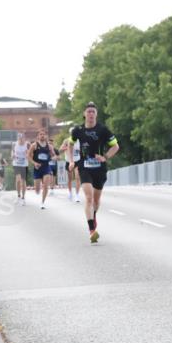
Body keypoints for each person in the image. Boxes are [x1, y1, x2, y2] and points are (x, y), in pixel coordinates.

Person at [68, 103, 119, 243]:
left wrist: (105, 157)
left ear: (96, 114)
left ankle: (93, 215)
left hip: (99, 169)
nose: (90, 114)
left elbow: (115, 146)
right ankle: (92, 230)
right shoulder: (78, 130)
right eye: (88, 111)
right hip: (84, 167)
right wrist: (72, 161)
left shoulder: (103, 129)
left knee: (96, 200)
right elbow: (70, 144)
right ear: (84, 114)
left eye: (93, 111)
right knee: (89, 198)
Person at [28, 129, 56, 209]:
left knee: (46, 185)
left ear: (46, 136)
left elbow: (54, 155)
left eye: (44, 134)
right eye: (41, 134)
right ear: (38, 136)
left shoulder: (49, 146)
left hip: (46, 167)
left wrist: (54, 158)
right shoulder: (34, 145)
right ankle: (38, 190)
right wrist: (34, 163)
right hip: (37, 168)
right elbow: (28, 156)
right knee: (37, 190)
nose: (42, 136)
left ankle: (42, 202)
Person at [61, 135, 82, 203]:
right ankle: (70, 193)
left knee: (77, 177)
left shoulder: (80, 140)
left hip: (77, 161)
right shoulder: (67, 140)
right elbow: (60, 149)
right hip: (69, 161)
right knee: (70, 178)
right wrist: (67, 147)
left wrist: (80, 150)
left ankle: (77, 195)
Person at [11, 133, 29, 205]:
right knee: (18, 180)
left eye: (22, 139)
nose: (21, 140)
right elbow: (12, 152)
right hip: (16, 164)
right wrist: (12, 155)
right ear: (18, 139)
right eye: (19, 139)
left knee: (23, 181)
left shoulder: (27, 144)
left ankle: (23, 198)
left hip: (24, 164)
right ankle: (18, 196)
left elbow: (31, 153)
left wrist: (27, 154)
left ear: (24, 138)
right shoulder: (14, 144)